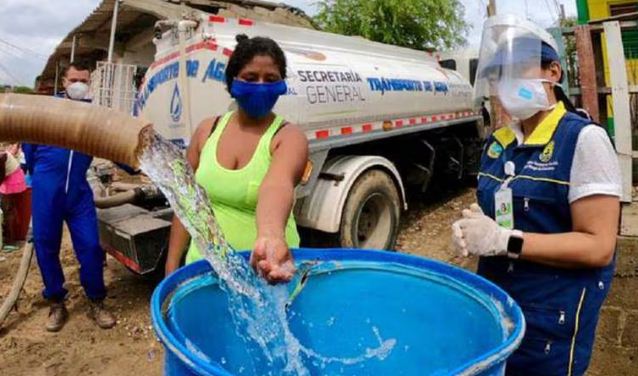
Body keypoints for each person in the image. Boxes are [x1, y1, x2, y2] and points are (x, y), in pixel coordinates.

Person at [451, 15, 621, 376]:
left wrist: (505, 241)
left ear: (554, 73)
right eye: (499, 75)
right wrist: (473, 229)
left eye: (518, 70)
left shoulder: (583, 141)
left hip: (551, 320)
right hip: (498, 306)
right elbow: (501, 212)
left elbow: (598, 247)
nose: (506, 83)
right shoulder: (499, 144)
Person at [165, 35, 308, 284]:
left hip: (266, 268)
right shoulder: (206, 131)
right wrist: (171, 265)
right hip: (204, 269)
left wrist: (270, 237)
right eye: (251, 78)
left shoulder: (288, 137)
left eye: (271, 79)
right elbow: (185, 200)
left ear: (281, 85)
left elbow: (277, 185)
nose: (261, 86)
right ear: (232, 82)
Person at [23, 62, 116, 332]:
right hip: (46, 193)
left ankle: (96, 301)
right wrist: (39, 171)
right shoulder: (47, 111)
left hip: (78, 194)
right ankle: (56, 302)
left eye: (84, 80)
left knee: (90, 247)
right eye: (74, 79)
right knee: (46, 246)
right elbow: (29, 146)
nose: (79, 85)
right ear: (63, 82)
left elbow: (112, 144)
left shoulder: (92, 116)